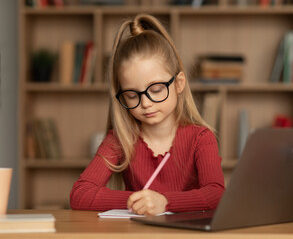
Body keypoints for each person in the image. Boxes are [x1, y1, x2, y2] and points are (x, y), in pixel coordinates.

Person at [70, 14, 225, 216]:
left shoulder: (201, 138)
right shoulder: (119, 140)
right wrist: (137, 200)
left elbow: (216, 194)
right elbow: (80, 195)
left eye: (156, 89)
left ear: (178, 84)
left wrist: (165, 202)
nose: (145, 103)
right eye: (132, 95)